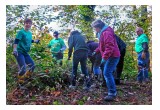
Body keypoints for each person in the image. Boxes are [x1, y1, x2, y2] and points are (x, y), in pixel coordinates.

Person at [91, 19, 120, 101]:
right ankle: (111, 90)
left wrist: (104, 58)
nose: (95, 29)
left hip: (113, 56)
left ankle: (112, 93)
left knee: (107, 73)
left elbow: (109, 46)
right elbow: (101, 46)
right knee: (107, 72)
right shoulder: (103, 33)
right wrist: (95, 51)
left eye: (95, 28)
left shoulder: (106, 32)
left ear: (98, 27)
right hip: (110, 55)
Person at [13, 18, 40, 84]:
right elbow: (16, 41)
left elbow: (29, 40)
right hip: (19, 52)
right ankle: (20, 82)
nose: (28, 24)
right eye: (26, 23)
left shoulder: (30, 33)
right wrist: (14, 49)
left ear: (31, 24)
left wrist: (35, 41)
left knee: (32, 66)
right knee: (23, 68)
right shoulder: (21, 32)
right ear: (24, 24)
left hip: (25, 53)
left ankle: (27, 78)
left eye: (29, 23)